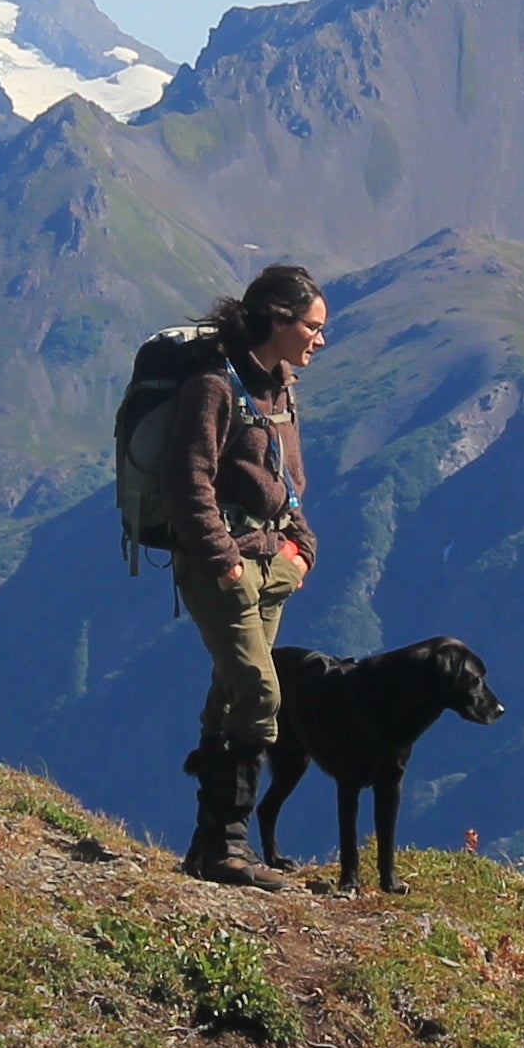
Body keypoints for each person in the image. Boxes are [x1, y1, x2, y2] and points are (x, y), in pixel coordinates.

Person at [170, 263, 328, 880]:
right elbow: (188, 482)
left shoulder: (282, 389)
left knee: (230, 695)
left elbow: (289, 486)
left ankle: (207, 848)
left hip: (273, 562)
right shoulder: (214, 388)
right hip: (226, 568)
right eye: (313, 327)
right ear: (277, 321)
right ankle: (229, 848)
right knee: (262, 693)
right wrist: (224, 562)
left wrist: (301, 550)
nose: (320, 338)